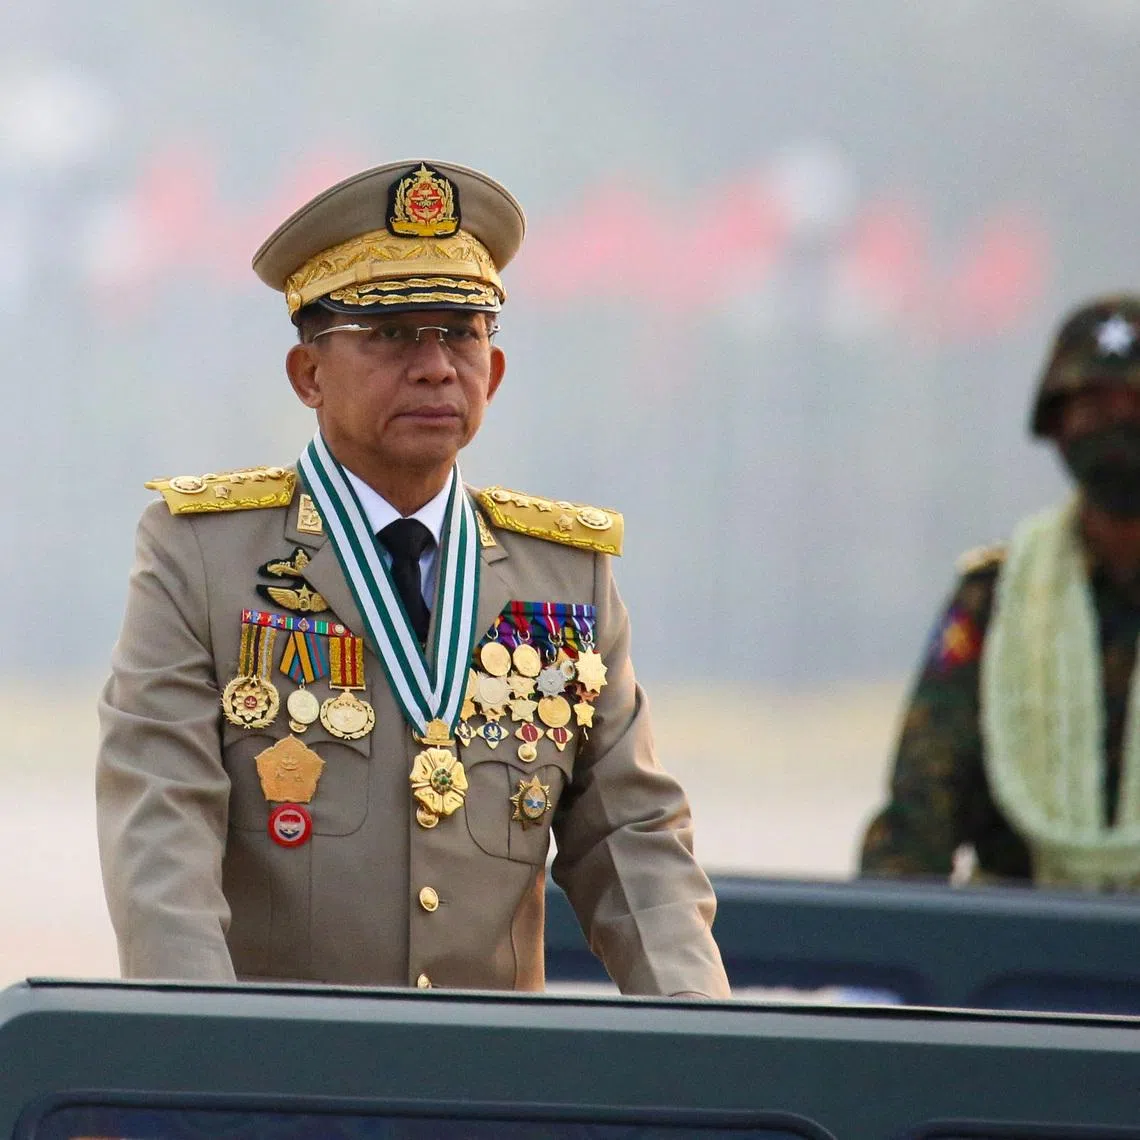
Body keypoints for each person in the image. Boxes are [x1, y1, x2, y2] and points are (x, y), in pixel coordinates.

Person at [96, 159, 730, 996]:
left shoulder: (566, 572)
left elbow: (631, 839)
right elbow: (161, 833)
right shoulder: (204, 556)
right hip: (282, 1084)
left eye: (462, 333)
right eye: (393, 333)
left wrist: (700, 1049)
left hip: (490, 1091)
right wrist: (206, 1061)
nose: (436, 366)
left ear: (493, 375)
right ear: (309, 375)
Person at [860, 294, 1140, 891]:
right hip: (1022, 957)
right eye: (1094, 405)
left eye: (1137, 404)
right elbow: (920, 816)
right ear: (1058, 425)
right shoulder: (999, 600)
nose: (1119, 422)